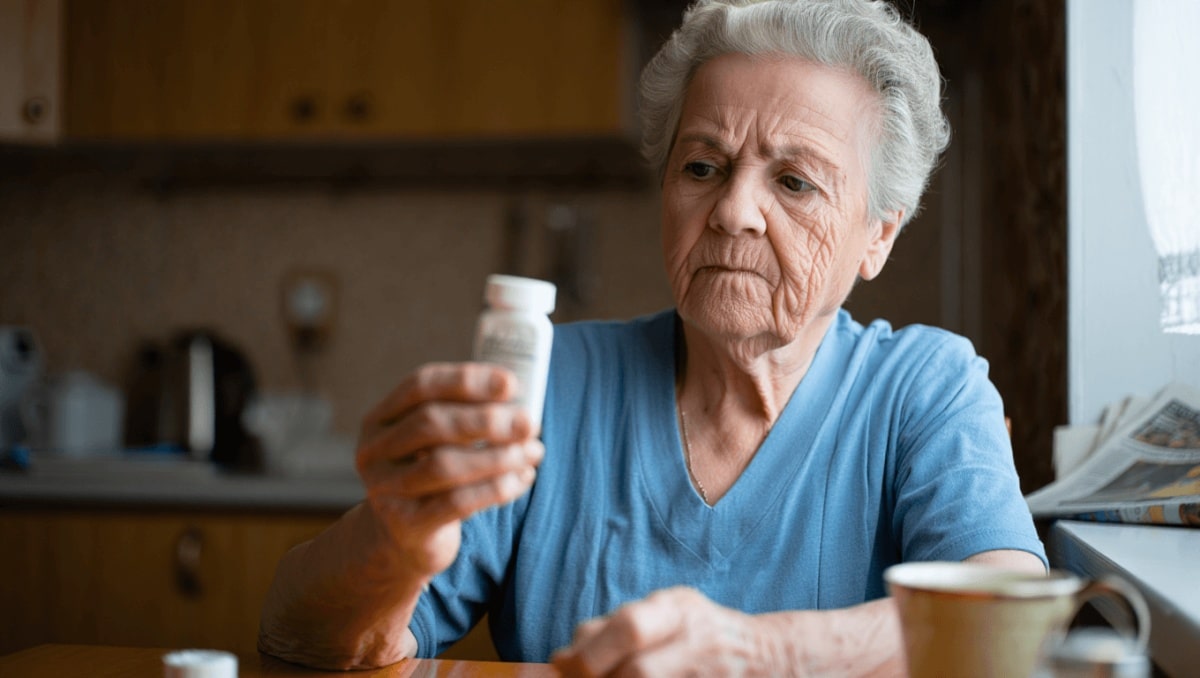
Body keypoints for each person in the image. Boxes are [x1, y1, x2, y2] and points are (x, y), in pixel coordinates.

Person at [258, 0, 1048, 674]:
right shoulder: (556, 381)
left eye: (795, 181)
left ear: (878, 235)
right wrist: (392, 543)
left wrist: (754, 652)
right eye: (703, 167)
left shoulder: (926, 386)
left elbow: (1009, 629)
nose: (734, 211)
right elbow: (296, 637)